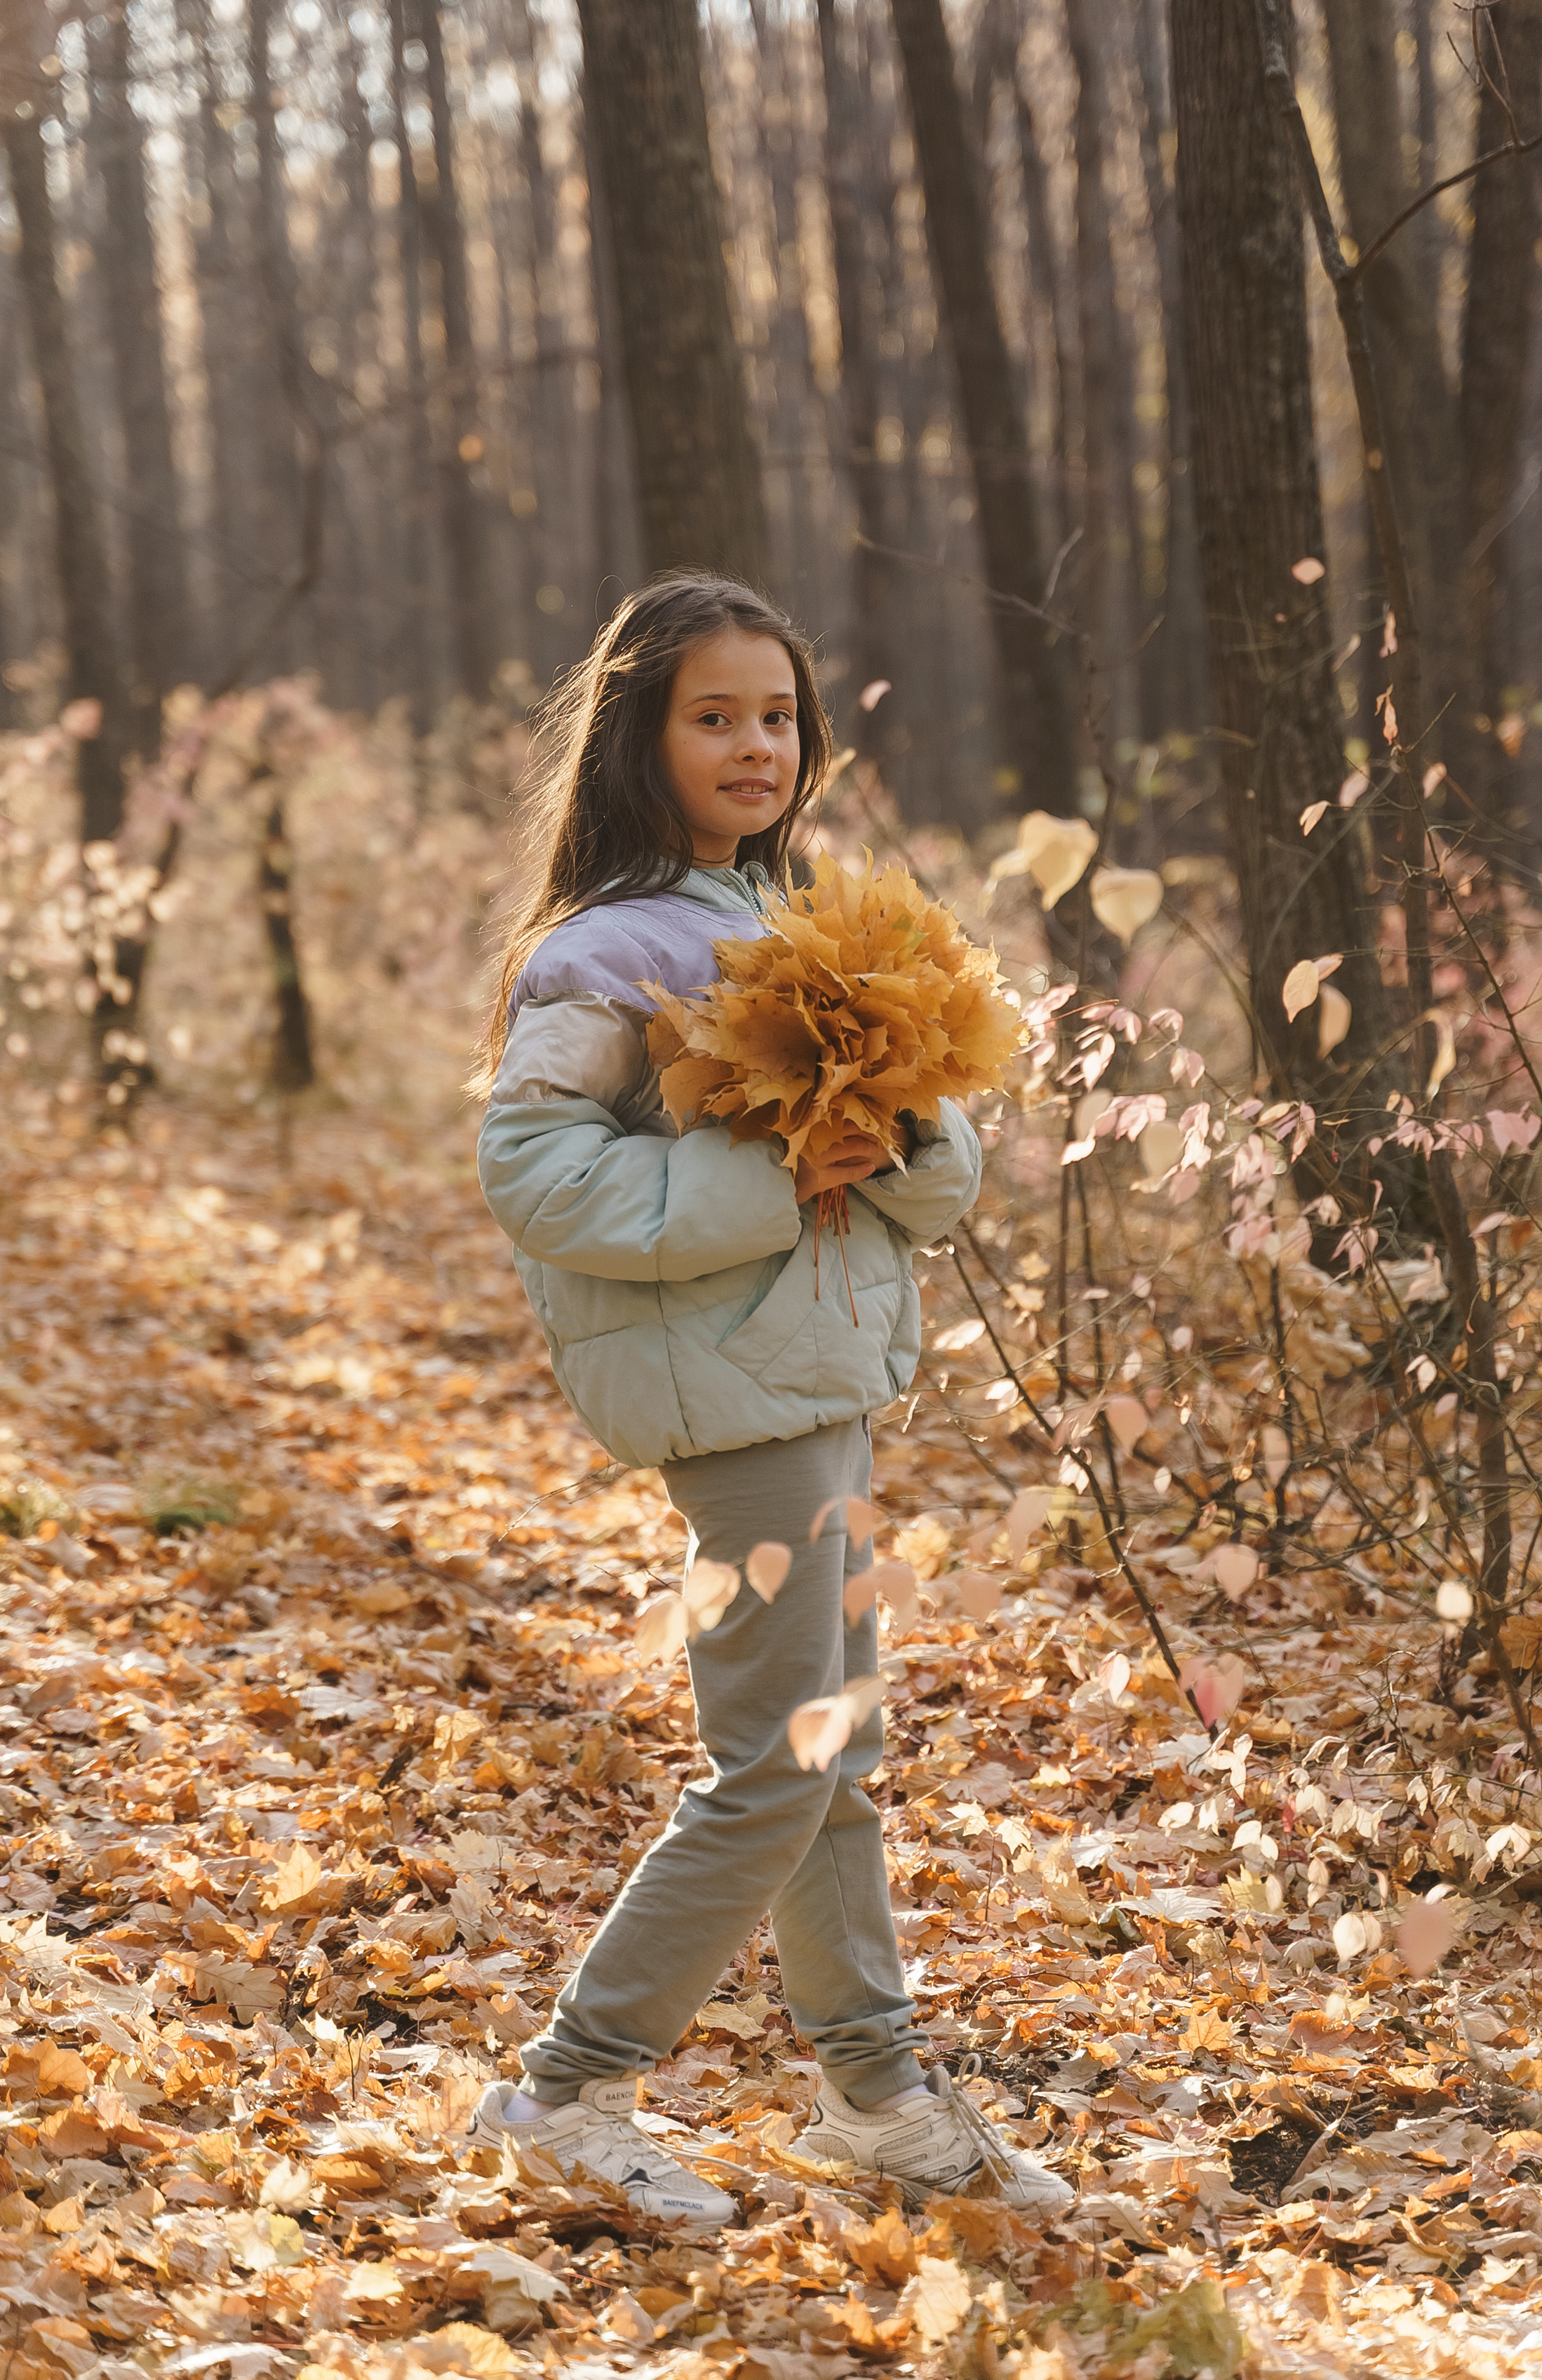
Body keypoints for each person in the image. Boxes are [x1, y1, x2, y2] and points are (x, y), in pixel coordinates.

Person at [468, 572, 1070, 2227]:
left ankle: (870, 2093)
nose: (753, 745)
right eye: (711, 715)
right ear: (636, 739)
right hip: (735, 1400)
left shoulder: (799, 923)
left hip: (816, 1383)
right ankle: (566, 2086)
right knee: (775, 1765)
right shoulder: (610, 949)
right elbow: (537, 1177)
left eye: (777, 716)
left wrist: (893, 1143)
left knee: (832, 1747)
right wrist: (778, 1172)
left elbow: (928, 1182)